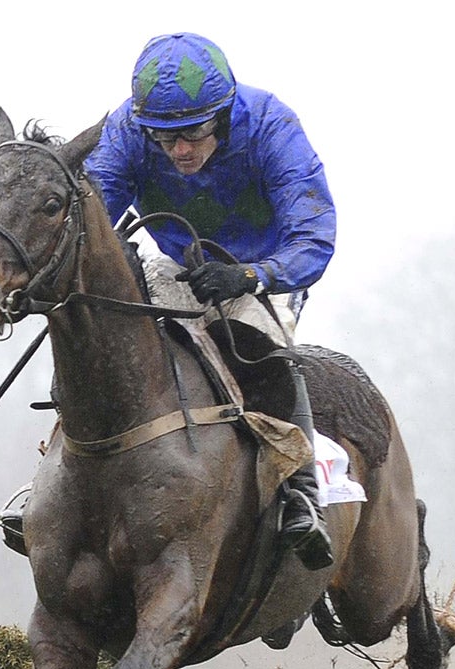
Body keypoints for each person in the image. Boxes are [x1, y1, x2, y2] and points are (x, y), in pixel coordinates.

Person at [87, 33, 337, 570]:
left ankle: (301, 495)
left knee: (259, 348)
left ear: (223, 117)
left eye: (194, 134)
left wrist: (251, 274)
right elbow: (90, 216)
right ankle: (61, 473)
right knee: (98, 337)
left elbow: (314, 238)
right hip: (177, 262)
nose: (180, 150)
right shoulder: (127, 129)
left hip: (263, 270)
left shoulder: (272, 126)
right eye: (164, 137)